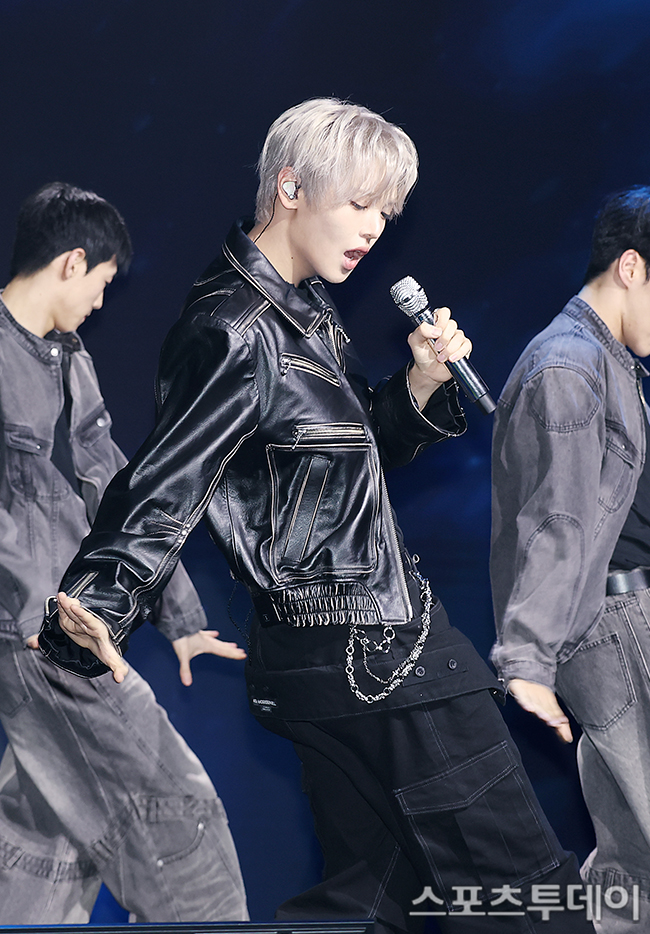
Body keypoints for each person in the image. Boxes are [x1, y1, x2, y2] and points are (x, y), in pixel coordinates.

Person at [43, 100, 593, 932]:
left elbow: (342, 468)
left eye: (387, 212)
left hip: (331, 667)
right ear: (291, 188)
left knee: (361, 906)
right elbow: (165, 481)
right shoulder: (235, 328)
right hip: (381, 658)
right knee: (526, 896)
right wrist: (92, 607)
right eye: (361, 202)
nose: (374, 227)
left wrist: (419, 385)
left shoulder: (305, 315)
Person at [0, 182, 248, 924]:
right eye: (103, 282)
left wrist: (180, 618)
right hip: (44, 637)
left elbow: (119, 494)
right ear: (72, 262)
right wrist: (42, 616)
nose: (102, 303)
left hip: (71, 626)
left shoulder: (69, 359)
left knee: (45, 840)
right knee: (175, 816)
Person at [490, 186, 650, 933]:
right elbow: (557, 521)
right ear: (631, 268)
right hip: (621, 631)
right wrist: (527, 659)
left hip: (614, 630)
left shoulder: (605, 362)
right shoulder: (570, 366)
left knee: (630, 868)